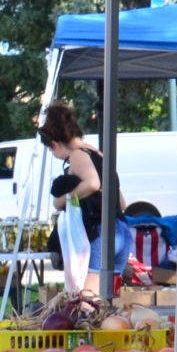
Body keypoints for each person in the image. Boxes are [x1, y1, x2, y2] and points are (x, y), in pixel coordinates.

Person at [38, 102, 132, 296]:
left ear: (55, 144)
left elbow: (92, 184)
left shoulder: (77, 156)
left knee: (87, 301)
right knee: (108, 300)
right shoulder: (97, 153)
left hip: (101, 233)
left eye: (50, 149)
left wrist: (62, 200)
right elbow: (121, 200)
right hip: (121, 230)